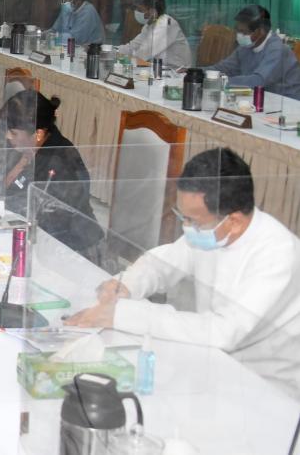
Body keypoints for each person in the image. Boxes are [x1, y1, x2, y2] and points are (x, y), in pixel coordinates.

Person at [66, 148, 300, 398]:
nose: (186, 227)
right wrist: (127, 284)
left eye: (193, 220)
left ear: (234, 221)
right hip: (211, 362)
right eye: (183, 217)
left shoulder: (278, 253)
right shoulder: (211, 232)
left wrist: (123, 315)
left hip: (265, 386)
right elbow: (163, 263)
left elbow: (224, 332)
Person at [0, 91, 102, 259]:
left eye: (14, 133)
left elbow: (38, 208)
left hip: (71, 250)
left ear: (38, 133)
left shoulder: (59, 161)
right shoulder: (25, 146)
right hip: (28, 237)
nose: (8, 136)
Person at [210, 5, 300, 99]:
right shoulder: (246, 47)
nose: (239, 35)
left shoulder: (277, 49)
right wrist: (202, 73)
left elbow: (259, 80)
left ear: (261, 31)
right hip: (261, 97)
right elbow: (225, 68)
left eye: (244, 32)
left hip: (288, 102)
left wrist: (220, 81)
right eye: (238, 30)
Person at [116, 0, 191, 69]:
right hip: (160, 69)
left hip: (176, 72)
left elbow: (143, 54)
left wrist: (123, 58)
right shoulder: (150, 25)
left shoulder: (166, 24)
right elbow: (133, 46)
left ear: (153, 11)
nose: (136, 12)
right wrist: (113, 50)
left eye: (140, 10)